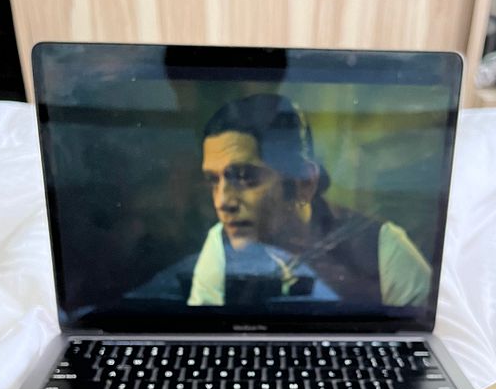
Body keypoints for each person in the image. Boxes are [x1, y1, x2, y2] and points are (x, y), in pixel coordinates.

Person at [131, 93, 431, 307]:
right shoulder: (220, 244)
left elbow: (415, 336)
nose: (223, 201)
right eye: (214, 180)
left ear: (304, 183)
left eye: (245, 177)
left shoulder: (383, 247)